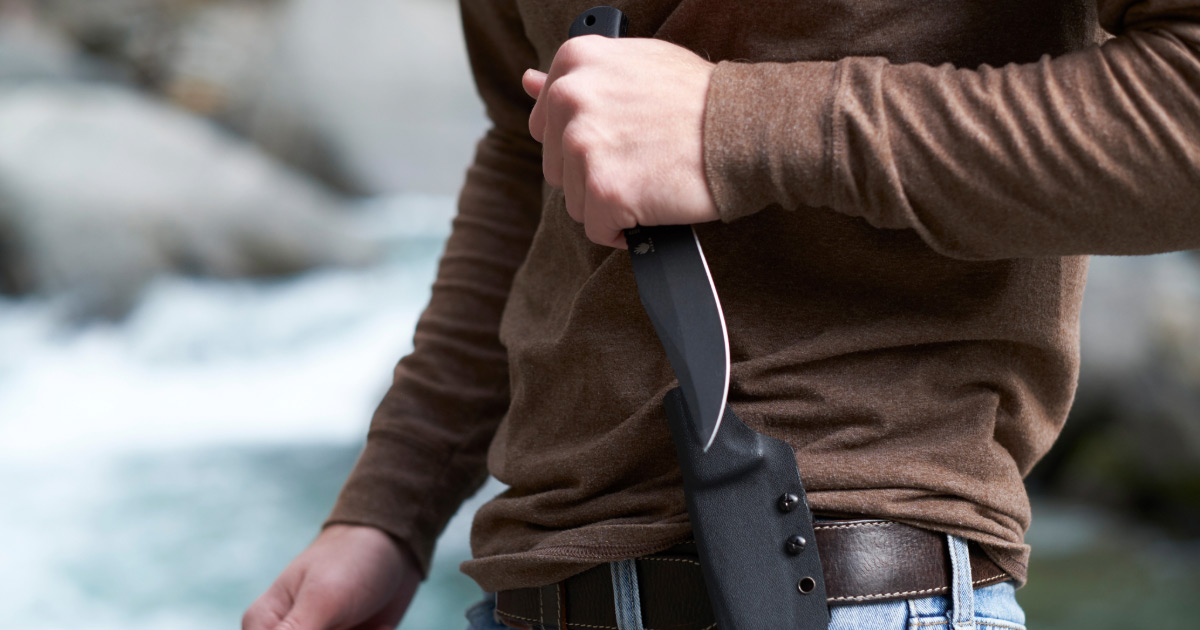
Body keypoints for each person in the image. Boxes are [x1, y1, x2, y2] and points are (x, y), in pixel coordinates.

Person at [243, 0, 1200, 629]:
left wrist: (734, 124)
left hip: (855, 588)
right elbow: (529, 146)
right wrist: (388, 510)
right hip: (530, 587)